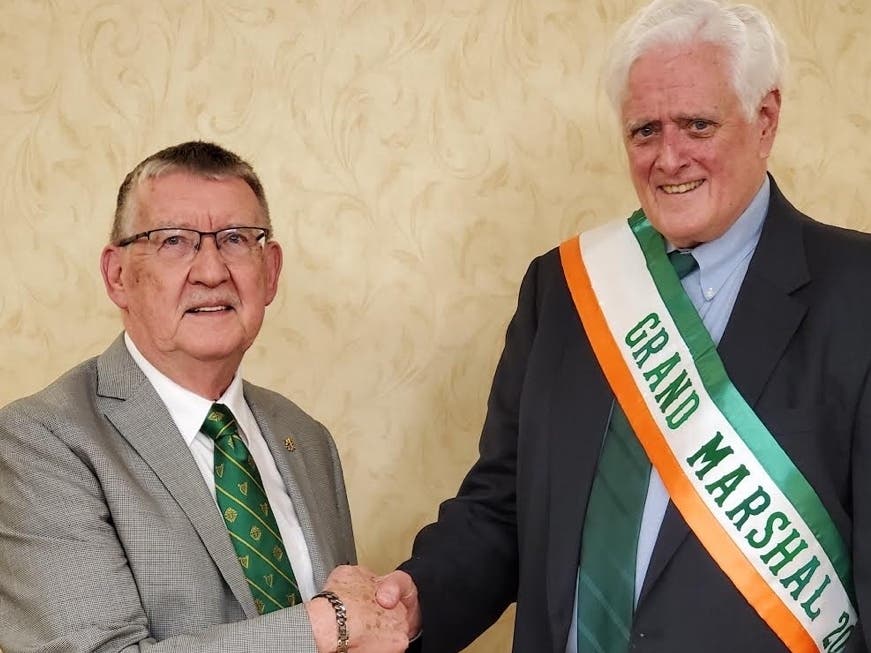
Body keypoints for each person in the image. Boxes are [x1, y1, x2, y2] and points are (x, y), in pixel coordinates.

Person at [374, 0, 871, 651]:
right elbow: (502, 512)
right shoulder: (562, 290)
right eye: (643, 131)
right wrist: (417, 599)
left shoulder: (857, 292)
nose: (668, 158)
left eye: (696, 125)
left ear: (764, 120)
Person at [0, 141, 408, 652]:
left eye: (236, 239)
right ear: (117, 275)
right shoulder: (39, 442)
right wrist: (328, 626)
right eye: (174, 241)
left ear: (271, 272)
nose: (212, 271)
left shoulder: (305, 437)